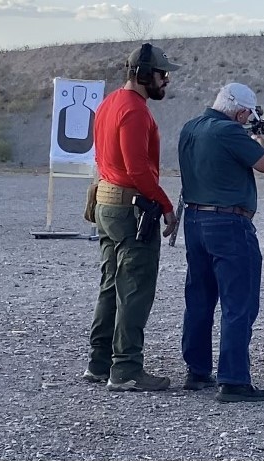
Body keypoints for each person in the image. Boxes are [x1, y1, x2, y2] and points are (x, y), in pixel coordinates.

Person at [81, 43, 182, 392]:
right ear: (142, 75)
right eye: (161, 74)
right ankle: (125, 368)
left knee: (110, 285)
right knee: (135, 288)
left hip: (107, 202)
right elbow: (137, 168)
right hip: (130, 207)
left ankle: (98, 362)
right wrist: (166, 206)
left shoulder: (109, 103)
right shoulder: (135, 111)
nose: (165, 80)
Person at [177, 83, 264, 402]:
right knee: (239, 301)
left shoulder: (190, 128)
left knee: (200, 297)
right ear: (241, 111)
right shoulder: (229, 132)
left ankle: (198, 370)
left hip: (194, 220)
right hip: (230, 223)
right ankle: (233, 379)